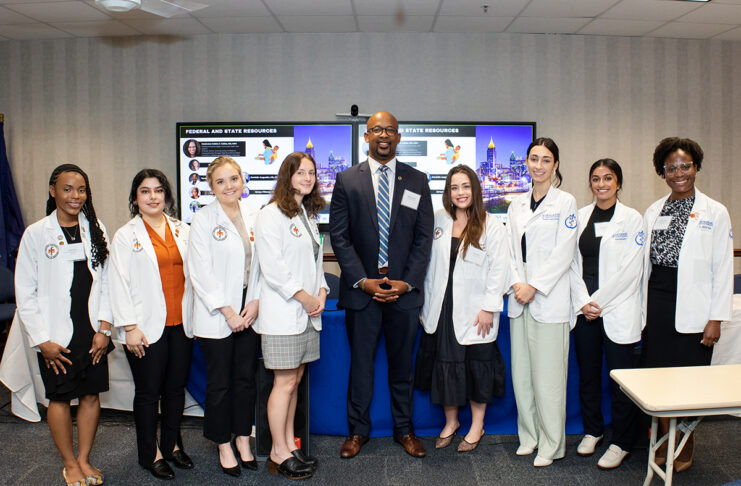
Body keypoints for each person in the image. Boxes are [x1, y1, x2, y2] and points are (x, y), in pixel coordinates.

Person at [329, 111, 433, 459]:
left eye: (389, 130)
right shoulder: (347, 180)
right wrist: (363, 281)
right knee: (361, 367)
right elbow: (340, 238)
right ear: (367, 136)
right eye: (376, 130)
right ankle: (357, 431)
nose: (383, 135)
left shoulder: (417, 180)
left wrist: (407, 283)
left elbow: (423, 239)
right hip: (363, 295)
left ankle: (405, 430)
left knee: (402, 367)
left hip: (403, 295)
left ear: (399, 136)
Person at [14, 164, 113, 486]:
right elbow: (24, 293)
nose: (75, 196)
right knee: (59, 398)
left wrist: (105, 330)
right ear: (52, 190)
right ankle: (69, 463)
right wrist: (42, 341)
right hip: (56, 334)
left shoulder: (94, 227)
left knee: (90, 396)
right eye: (68, 189)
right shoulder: (37, 233)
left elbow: (109, 282)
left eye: (81, 189)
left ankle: (84, 459)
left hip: (92, 331)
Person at [641, 137, 733, 472]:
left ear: (696, 167)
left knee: (689, 381)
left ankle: (685, 442)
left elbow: (723, 268)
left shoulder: (715, 212)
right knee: (658, 377)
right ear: (662, 172)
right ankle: (667, 440)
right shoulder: (654, 210)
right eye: (671, 168)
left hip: (695, 309)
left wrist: (716, 318)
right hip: (658, 304)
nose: (679, 173)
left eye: (685, 166)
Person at [415, 165, 508, 452]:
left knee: (477, 369)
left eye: (465, 186)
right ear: (448, 192)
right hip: (441, 307)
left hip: (476, 310)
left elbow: (500, 269)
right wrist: (424, 303)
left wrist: (489, 307)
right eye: (454, 187)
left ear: (475, 189)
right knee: (446, 367)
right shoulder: (438, 220)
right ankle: (451, 422)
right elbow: (426, 262)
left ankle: (477, 425)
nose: (460, 193)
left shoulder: (491, 225)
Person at [108, 169, 195, 480]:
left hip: (182, 324)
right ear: (135, 198)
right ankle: (151, 453)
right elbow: (116, 282)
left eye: (158, 190)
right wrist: (129, 327)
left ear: (166, 196)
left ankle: (171, 445)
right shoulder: (125, 235)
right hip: (144, 329)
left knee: (175, 390)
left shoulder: (182, 229)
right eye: (145, 191)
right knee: (148, 392)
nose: (153, 197)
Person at [251, 152, 328, 480]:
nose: (308, 178)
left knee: (295, 381)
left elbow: (315, 263)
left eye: (311, 173)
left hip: (307, 314)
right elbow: (275, 270)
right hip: (284, 314)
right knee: (282, 383)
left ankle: (289, 445)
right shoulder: (271, 214)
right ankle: (277, 451)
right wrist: (305, 297)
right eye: (300, 173)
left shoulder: (306, 214)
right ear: (287, 177)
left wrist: (322, 292)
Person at [506, 138, 577, 467]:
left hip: (548, 301)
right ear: (526, 162)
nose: (538, 165)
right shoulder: (515, 204)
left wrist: (534, 285)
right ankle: (529, 436)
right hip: (519, 301)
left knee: (548, 379)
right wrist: (517, 284)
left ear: (555, 165)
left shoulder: (566, 203)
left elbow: (564, 253)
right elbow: (508, 251)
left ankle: (552, 443)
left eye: (545, 160)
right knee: (522, 375)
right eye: (533, 159)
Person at [187, 156, 260, 477]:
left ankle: (243, 437)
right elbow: (199, 272)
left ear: (243, 181)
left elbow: (265, 263)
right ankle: (222, 443)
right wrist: (228, 312)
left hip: (251, 309)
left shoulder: (256, 215)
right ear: (211, 187)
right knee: (219, 384)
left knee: (246, 380)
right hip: (217, 313)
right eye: (221, 181)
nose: (229, 186)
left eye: (234, 179)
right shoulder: (203, 220)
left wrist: (255, 302)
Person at [569, 159, 643, 469]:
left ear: (618, 183)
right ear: (590, 183)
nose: (602, 184)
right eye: (596, 178)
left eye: (608, 178)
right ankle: (593, 430)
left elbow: (631, 271)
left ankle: (622, 441)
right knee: (588, 375)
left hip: (616, 309)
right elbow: (570, 263)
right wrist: (583, 302)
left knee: (620, 380)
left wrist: (597, 302)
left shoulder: (633, 219)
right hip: (585, 311)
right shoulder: (580, 217)